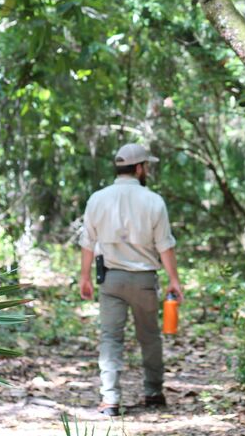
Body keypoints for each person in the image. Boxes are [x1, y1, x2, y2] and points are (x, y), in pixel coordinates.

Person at [78, 143, 184, 417]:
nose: (147, 170)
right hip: (144, 280)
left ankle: (110, 399)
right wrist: (174, 280)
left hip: (111, 279)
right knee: (149, 337)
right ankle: (153, 392)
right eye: (147, 165)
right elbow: (165, 245)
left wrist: (85, 277)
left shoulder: (97, 199)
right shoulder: (153, 201)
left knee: (111, 338)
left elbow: (87, 242)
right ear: (139, 168)